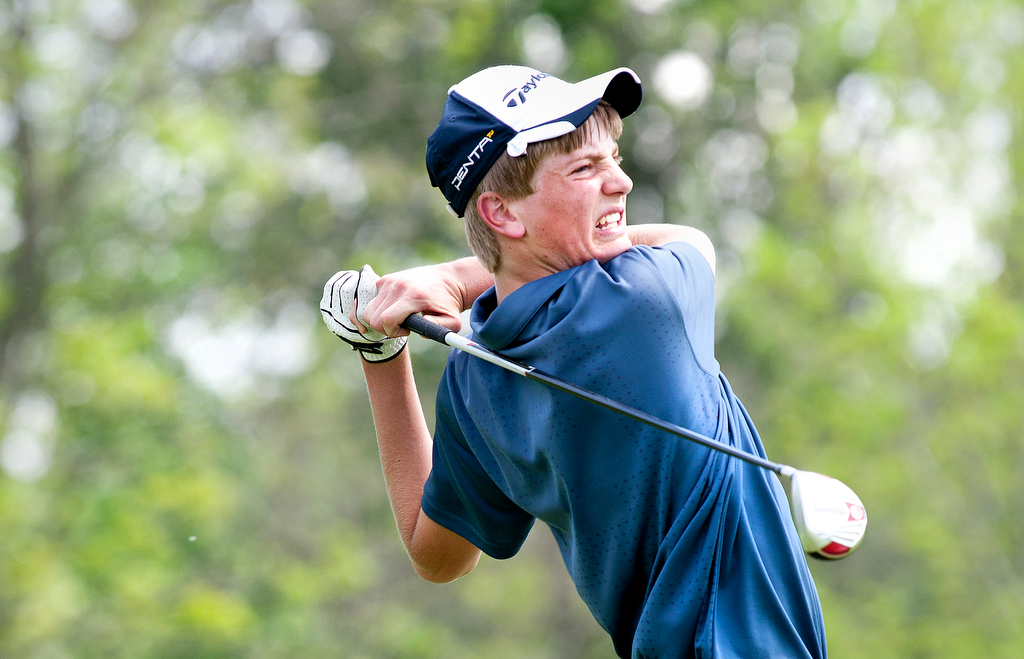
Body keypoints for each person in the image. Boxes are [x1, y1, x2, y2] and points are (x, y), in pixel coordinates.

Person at [320, 65, 827, 658]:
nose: (622, 182)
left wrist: (379, 351)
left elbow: (436, 554)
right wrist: (452, 277)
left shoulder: (473, 378)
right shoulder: (645, 297)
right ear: (502, 214)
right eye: (586, 168)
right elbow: (692, 240)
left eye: (612, 156)